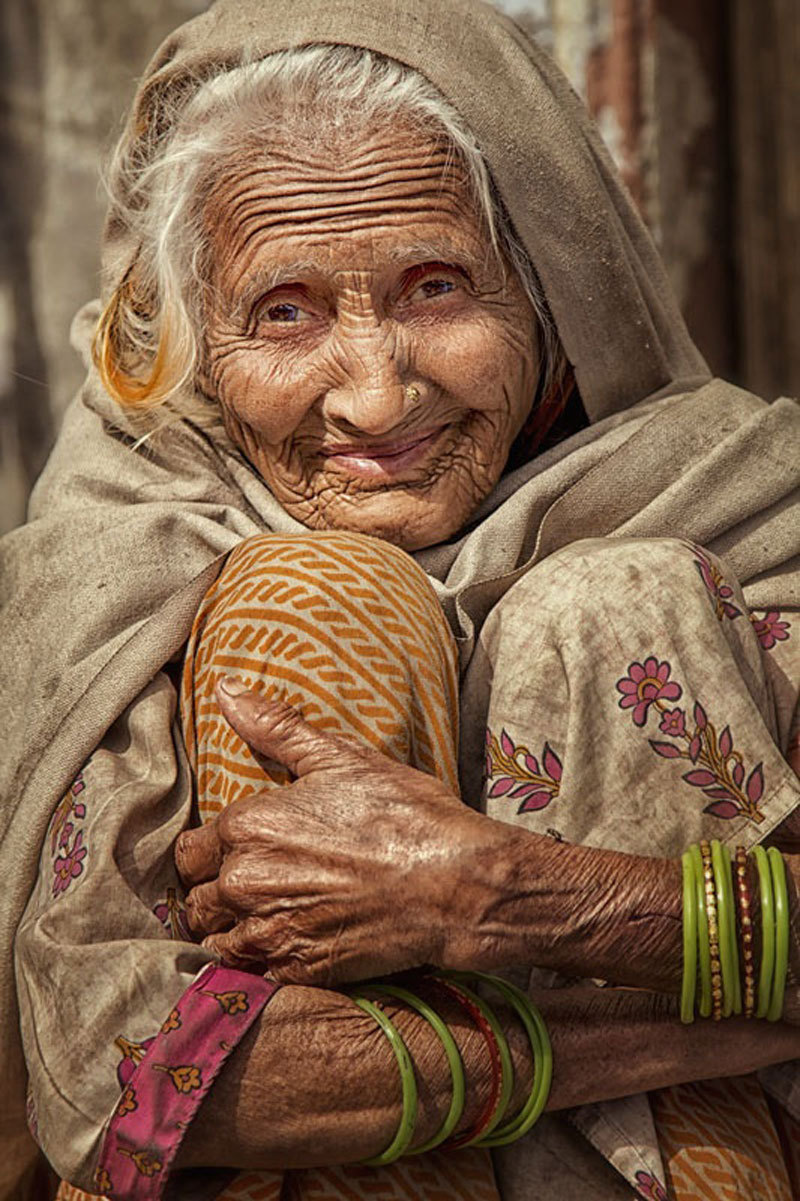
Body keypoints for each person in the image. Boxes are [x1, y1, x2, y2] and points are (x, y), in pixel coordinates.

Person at [1, 1, 798, 1199]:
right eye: (285, 311)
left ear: (551, 292)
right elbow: (122, 1080)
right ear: (195, 350)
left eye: (436, 289)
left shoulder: (741, 497)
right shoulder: (111, 566)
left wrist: (498, 899)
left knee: (611, 599)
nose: (374, 400)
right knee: (313, 595)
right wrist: (671, 1028)